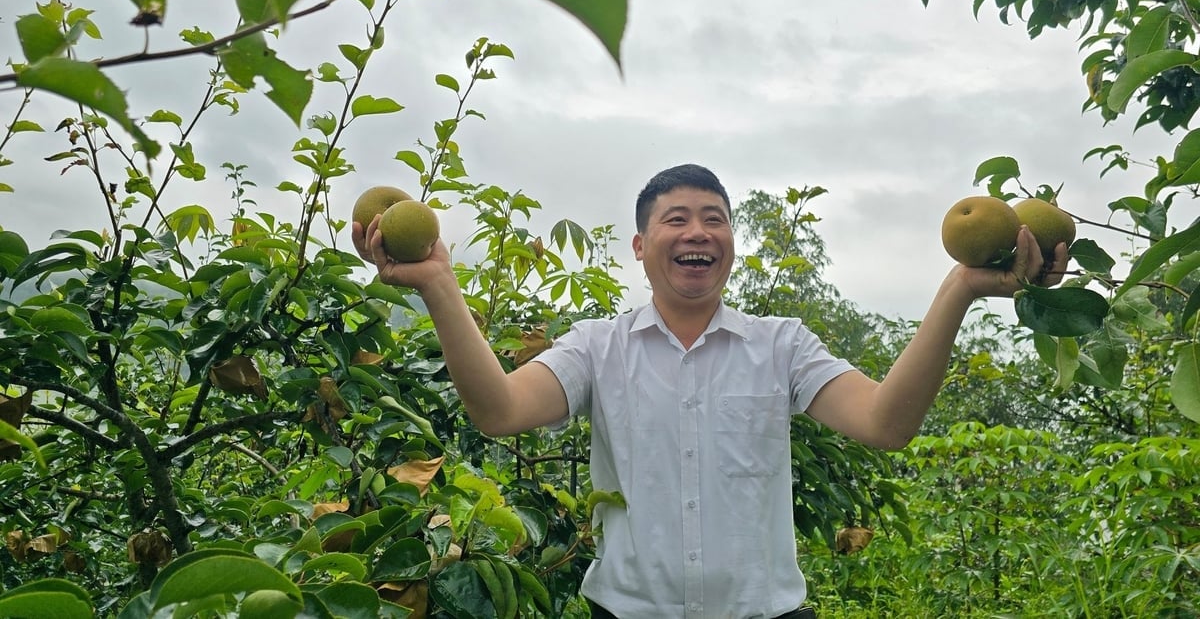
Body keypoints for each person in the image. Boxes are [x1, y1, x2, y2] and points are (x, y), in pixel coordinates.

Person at [352, 164, 1068, 619]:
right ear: (640, 246)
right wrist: (439, 283)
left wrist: (961, 288)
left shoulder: (781, 345)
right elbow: (498, 410)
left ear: (731, 242)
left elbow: (886, 423)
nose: (697, 232)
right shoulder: (598, 346)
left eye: (713, 219)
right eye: (675, 219)